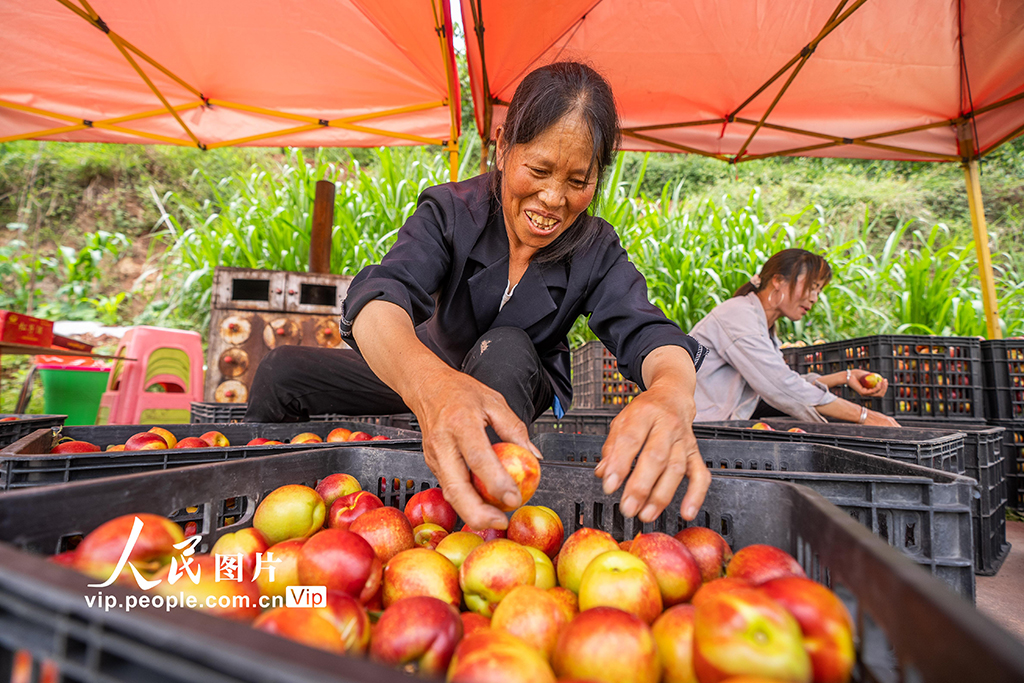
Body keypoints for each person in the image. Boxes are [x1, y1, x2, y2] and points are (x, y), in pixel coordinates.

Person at [246, 62, 711, 531]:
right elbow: (383, 296)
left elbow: (647, 330)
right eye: (539, 170)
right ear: (504, 146)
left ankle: (476, 532)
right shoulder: (452, 210)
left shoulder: (596, 248)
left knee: (504, 344)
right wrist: (429, 384)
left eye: (577, 181)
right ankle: (261, 503)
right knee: (279, 371)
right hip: (427, 368)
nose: (553, 198)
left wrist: (671, 392)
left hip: (519, 383)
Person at [690, 248, 900, 426]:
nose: (814, 298)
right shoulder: (737, 317)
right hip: (696, 428)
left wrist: (844, 376)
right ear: (778, 281)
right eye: (812, 287)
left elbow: (781, 381)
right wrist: (865, 417)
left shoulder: (763, 325)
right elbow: (781, 386)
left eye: (818, 290)